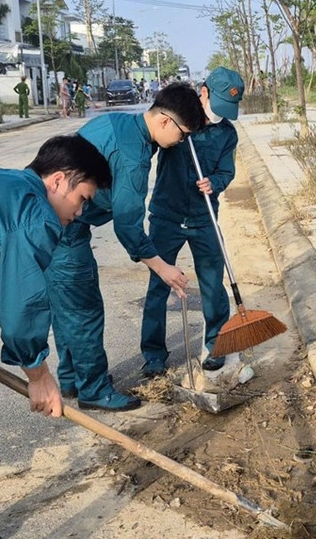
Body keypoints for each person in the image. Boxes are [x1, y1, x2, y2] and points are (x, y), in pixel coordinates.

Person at [0, 135, 112, 539]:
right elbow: (19, 309)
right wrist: (37, 373)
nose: (79, 213)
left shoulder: (2, 184)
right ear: (59, 181)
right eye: (82, 199)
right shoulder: (35, 212)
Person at [46, 82, 206, 411]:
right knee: (84, 310)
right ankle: (93, 390)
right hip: (66, 226)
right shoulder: (134, 157)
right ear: (164, 121)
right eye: (183, 134)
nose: (182, 142)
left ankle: (71, 379)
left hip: (47, 217)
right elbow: (127, 224)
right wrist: (163, 267)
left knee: (66, 306)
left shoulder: (122, 122)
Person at [140, 67, 244, 377]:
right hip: (167, 215)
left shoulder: (227, 133)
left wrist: (215, 182)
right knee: (159, 284)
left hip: (204, 216)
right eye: (216, 107)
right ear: (204, 92)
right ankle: (154, 353)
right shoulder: (177, 118)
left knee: (213, 282)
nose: (217, 117)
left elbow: (227, 171)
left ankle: (215, 344)